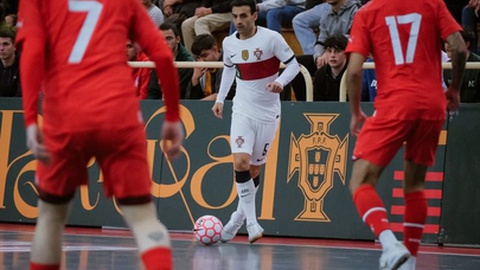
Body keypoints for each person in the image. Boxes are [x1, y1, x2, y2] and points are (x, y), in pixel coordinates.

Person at [16, 0, 184, 269]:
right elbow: (163, 55)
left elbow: (33, 52)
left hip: (65, 115)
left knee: (50, 215)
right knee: (143, 219)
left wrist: (29, 119)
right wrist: (173, 115)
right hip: (119, 114)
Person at [345, 0, 467, 269]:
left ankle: (389, 244)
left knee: (360, 182)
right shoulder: (432, 3)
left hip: (394, 104)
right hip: (433, 104)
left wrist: (355, 112)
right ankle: (410, 260)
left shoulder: (367, 12)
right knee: (415, 185)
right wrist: (455, 88)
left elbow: (354, 71)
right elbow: (458, 47)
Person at [212, 0, 300, 244]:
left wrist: (280, 83)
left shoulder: (271, 38)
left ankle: (237, 219)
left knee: (254, 169)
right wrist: (220, 98)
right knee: (240, 161)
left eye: (243, 16)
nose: (238, 22)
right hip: (242, 109)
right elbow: (229, 69)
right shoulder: (229, 42)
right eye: (234, 17)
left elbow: (294, 65)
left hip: (268, 112)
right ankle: (252, 222)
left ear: (254, 15)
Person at [147, 22, 194, 99]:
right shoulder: (156, 59)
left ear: (178, 39)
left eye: (169, 39)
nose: (165, 43)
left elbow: (180, 92)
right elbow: (152, 91)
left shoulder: (187, 63)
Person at [186, 33, 235, 100]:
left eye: (204, 56)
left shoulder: (228, 62)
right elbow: (190, 99)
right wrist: (195, 79)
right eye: (198, 58)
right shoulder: (198, 68)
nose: (201, 61)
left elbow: (224, 94)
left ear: (214, 50)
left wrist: (199, 104)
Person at [444, 25, 480, 103]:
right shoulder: (447, 67)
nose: (448, 46)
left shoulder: (478, 66)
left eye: (453, 42)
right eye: (446, 41)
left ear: (467, 44)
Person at [312, 34, 348, 101]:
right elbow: (317, 102)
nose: (332, 55)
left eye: (337, 51)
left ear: (346, 53)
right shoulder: (320, 74)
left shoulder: (354, 73)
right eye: (329, 51)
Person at [0, 26, 20, 97]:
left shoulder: (23, 66)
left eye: (5, 44)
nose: (1, 48)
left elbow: (20, 97)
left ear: (14, 46)